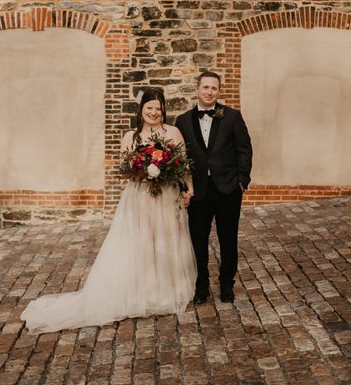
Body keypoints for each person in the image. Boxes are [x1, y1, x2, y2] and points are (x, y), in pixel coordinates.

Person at [21, 89, 197, 334]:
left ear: (163, 110)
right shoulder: (130, 137)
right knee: (144, 242)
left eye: (158, 108)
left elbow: (184, 164)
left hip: (168, 195)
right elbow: (125, 168)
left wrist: (189, 190)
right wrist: (144, 168)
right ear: (142, 110)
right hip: (140, 196)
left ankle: (169, 292)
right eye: (149, 108)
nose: (154, 112)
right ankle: (147, 294)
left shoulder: (173, 132)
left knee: (168, 241)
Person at [175, 71, 253, 305]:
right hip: (197, 190)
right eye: (205, 87)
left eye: (214, 88)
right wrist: (183, 187)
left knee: (227, 238)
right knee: (198, 239)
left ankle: (227, 284)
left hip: (228, 187)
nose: (210, 92)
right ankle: (201, 285)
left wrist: (242, 181)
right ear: (197, 89)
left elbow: (244, 149)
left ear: (219, 91)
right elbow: (180, 157)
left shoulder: (232, 116)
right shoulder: (182, 120)